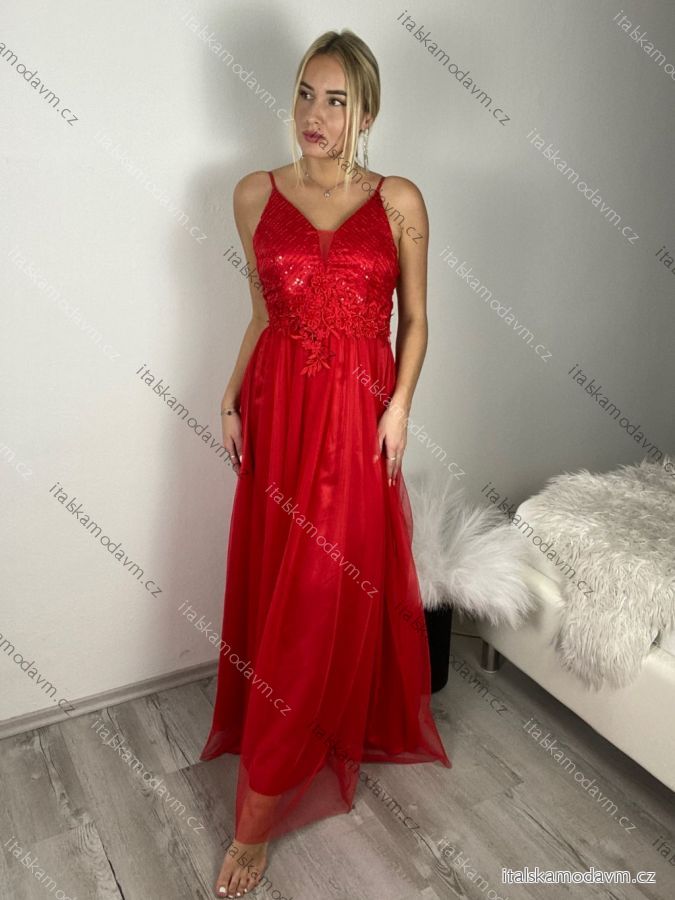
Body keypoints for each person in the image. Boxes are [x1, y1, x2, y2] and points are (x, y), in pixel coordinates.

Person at [199, 28, 451, 899]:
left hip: (355, 420)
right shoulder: (252, 195)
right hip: (279, 411)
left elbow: (415, 319)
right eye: (306, 93)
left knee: (319, 590)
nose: (315, 114)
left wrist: (399, 407)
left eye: (336, 100)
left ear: (366, 114)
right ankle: (284, 739)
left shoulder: (400, 200)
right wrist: (230, 395)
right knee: (283, 585)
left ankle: (256, 817)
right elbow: (262, 313)